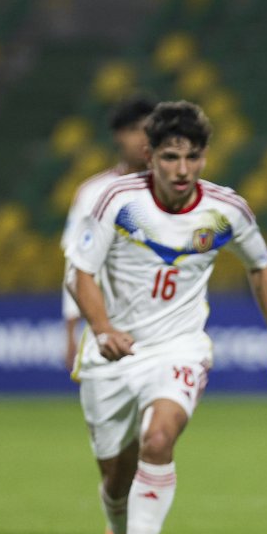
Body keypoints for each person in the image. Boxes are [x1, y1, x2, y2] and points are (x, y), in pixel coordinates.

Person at [65, 101, 267, 534]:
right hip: (111, 354)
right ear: (150, 156)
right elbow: (79, 272)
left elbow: (261, 266)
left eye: (192, 157)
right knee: (114, 479)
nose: (182, 169)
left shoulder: (227, 209)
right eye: (171, 157)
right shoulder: (115, 201)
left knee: (159, 437)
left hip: (179, 346)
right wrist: (102, 328)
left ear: (204, 157)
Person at [61, 95, 158, 371]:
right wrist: (71, 330)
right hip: (109, 324)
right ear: (118, 136)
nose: (144, 138)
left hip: (161, 325)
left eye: (151, 130)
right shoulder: (92, 193)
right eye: (135, 129)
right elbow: (75, 265)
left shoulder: (176, 192)